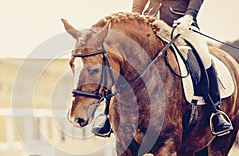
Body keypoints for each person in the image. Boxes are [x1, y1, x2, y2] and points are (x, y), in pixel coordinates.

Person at [92, 0, 233, 137]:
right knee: (121, 58)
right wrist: (135, 18)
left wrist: (189, 16)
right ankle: (107, 113)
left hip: (181, 25)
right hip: (150, 26)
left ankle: (216, 110)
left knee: (204, 56)